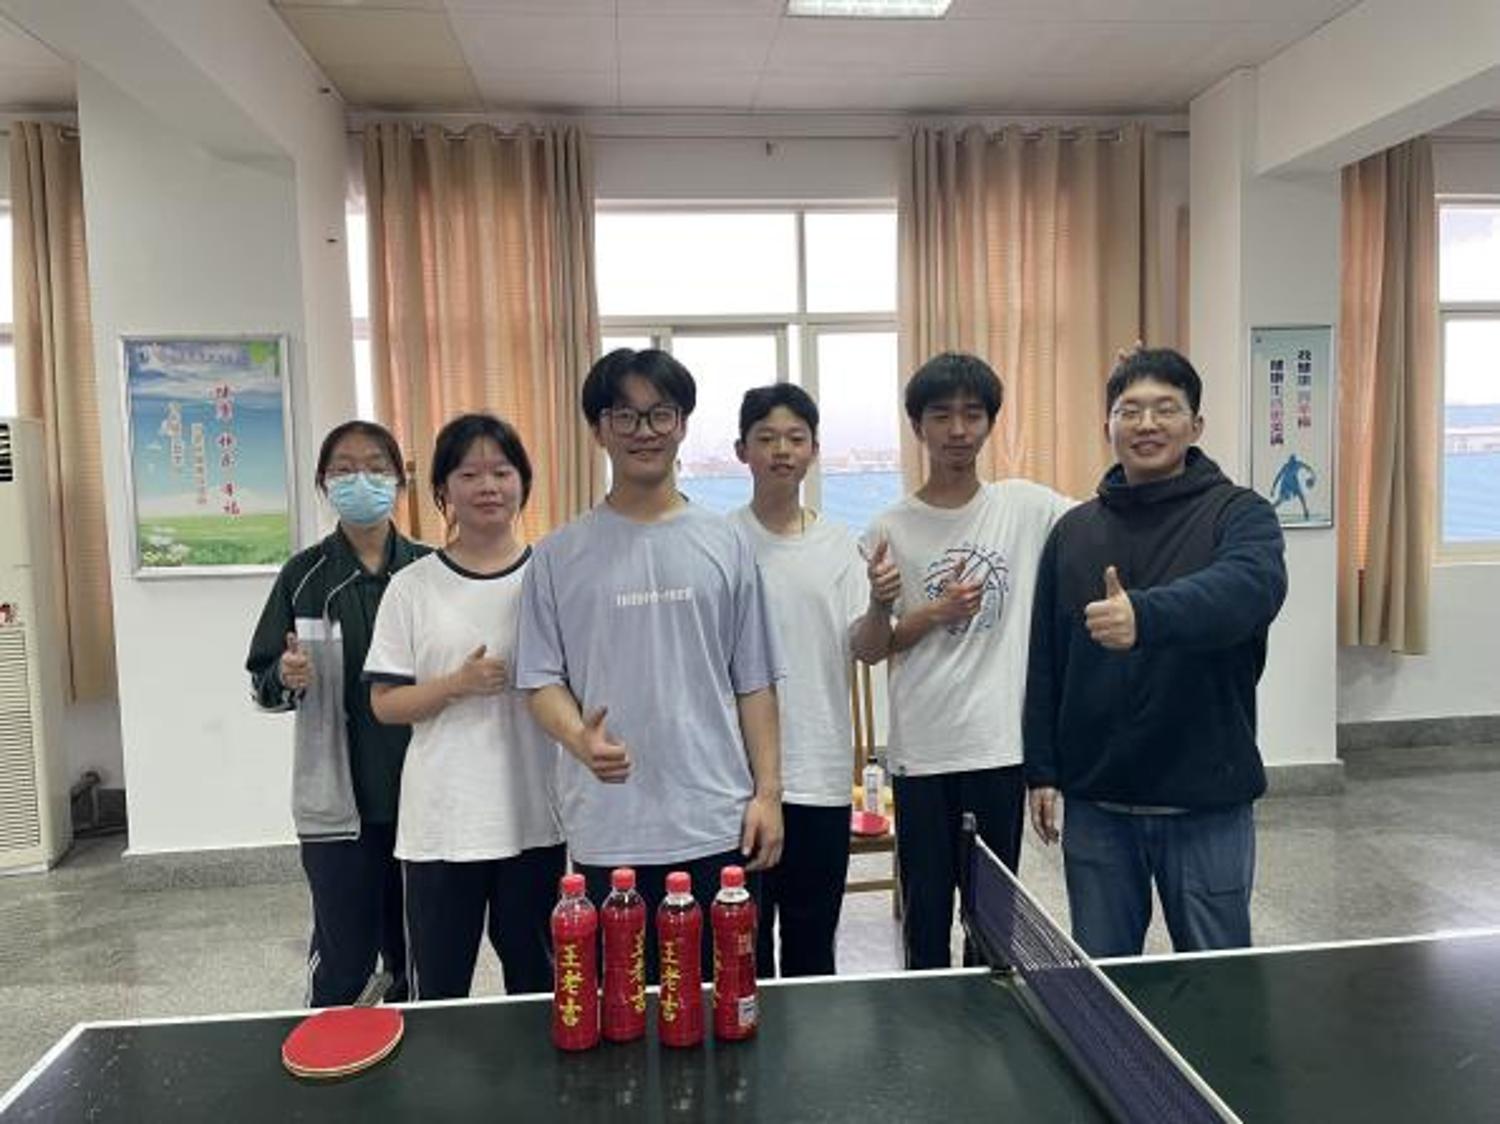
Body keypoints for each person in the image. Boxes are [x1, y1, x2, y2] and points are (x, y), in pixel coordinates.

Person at [516, 348, 784, 982]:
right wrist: (578, 738)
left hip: (716, 820)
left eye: (660, 414)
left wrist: (768, 795)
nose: (644, 431)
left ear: (682, 424)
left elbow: (754, 682)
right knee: (621, 1012)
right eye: (625, 416)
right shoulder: (557, 555)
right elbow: (540, 679)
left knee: (725, 1006)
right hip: (609, 830)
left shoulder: (726, 543)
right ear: (598, 430)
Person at [1023, 347, 1287, 957]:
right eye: (1130, 410)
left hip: (1205, 799)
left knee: (1219, 980)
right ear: (1108, 426)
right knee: (1106, 984)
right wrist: (1043, 770)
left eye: (1166, 409)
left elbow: (1250, 590)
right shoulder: (1074, 532)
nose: (1147, 424)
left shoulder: (1240, 514)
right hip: (1098, 803)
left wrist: (1145, 616)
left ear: (1196, 425)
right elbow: (1046, 658)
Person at [859, 352, 1072, 970]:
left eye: (972, 414)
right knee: (926, 916)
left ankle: (990, 1021)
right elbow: (868, 647)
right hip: (921, 752)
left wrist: (1120, 407)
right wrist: (919, 611)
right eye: (941, 415)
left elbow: (1105, 516)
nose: (957, 429)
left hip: (997, 749)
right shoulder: (889, 526)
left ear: (990, 423)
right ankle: (927, 1021)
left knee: (993, 921)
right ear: (917, 426)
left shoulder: (1024, 507)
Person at [365, 413, 564, 999]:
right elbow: (385, 704)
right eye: (469, 474)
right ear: (442, 490)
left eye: (501, 472)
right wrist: (457, 683)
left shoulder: (551, 578)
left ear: (523, 482)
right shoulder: (412, 586)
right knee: (439, 991)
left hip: (534, 816)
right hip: (442, 822)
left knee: (539, 983)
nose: (488, 487)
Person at [246, 420, 429, 1006]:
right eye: (344, 469)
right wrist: (285, 677)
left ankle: (418, 1050)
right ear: (324, 484)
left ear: (400, 480)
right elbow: (262, 683)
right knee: (344, 957)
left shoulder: (429, 571)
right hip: (338, 804)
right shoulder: (304, 577)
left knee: (418, 954)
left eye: (376, 467)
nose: (361, 480)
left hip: (425, 798)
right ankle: (328, 1048)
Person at [729, 384, 900, 978]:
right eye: (767, 438)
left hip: (821, 776)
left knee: (811, 944)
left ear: (814, 450)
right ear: (742, 450)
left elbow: (869, 650)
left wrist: (881, 604)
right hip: (737, 780)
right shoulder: (720, 542)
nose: (782, 450)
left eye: (795, 438)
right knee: (742, 949)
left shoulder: (839, 547)